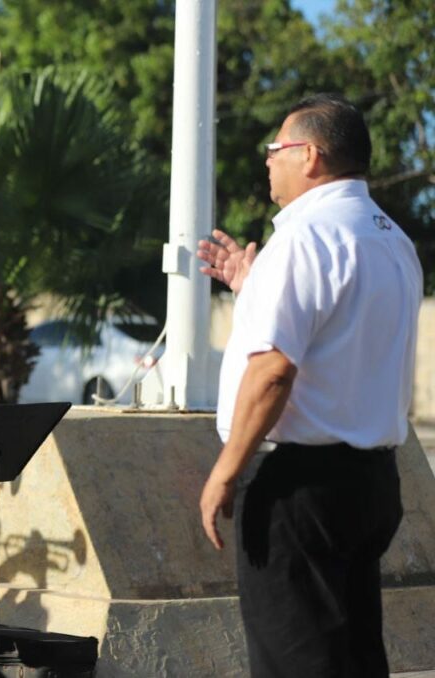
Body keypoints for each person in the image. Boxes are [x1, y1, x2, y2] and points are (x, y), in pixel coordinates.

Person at [197, 94, 423, 677]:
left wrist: (226, 470)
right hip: (372, 480)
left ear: (311, 155)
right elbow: (342, 339)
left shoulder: (304, 238)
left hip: (301, 489)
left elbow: (273, 371)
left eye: (276, 148)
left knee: (295, 663)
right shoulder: (393, 240)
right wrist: (254, 288)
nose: (268, 160)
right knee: (353, 659)